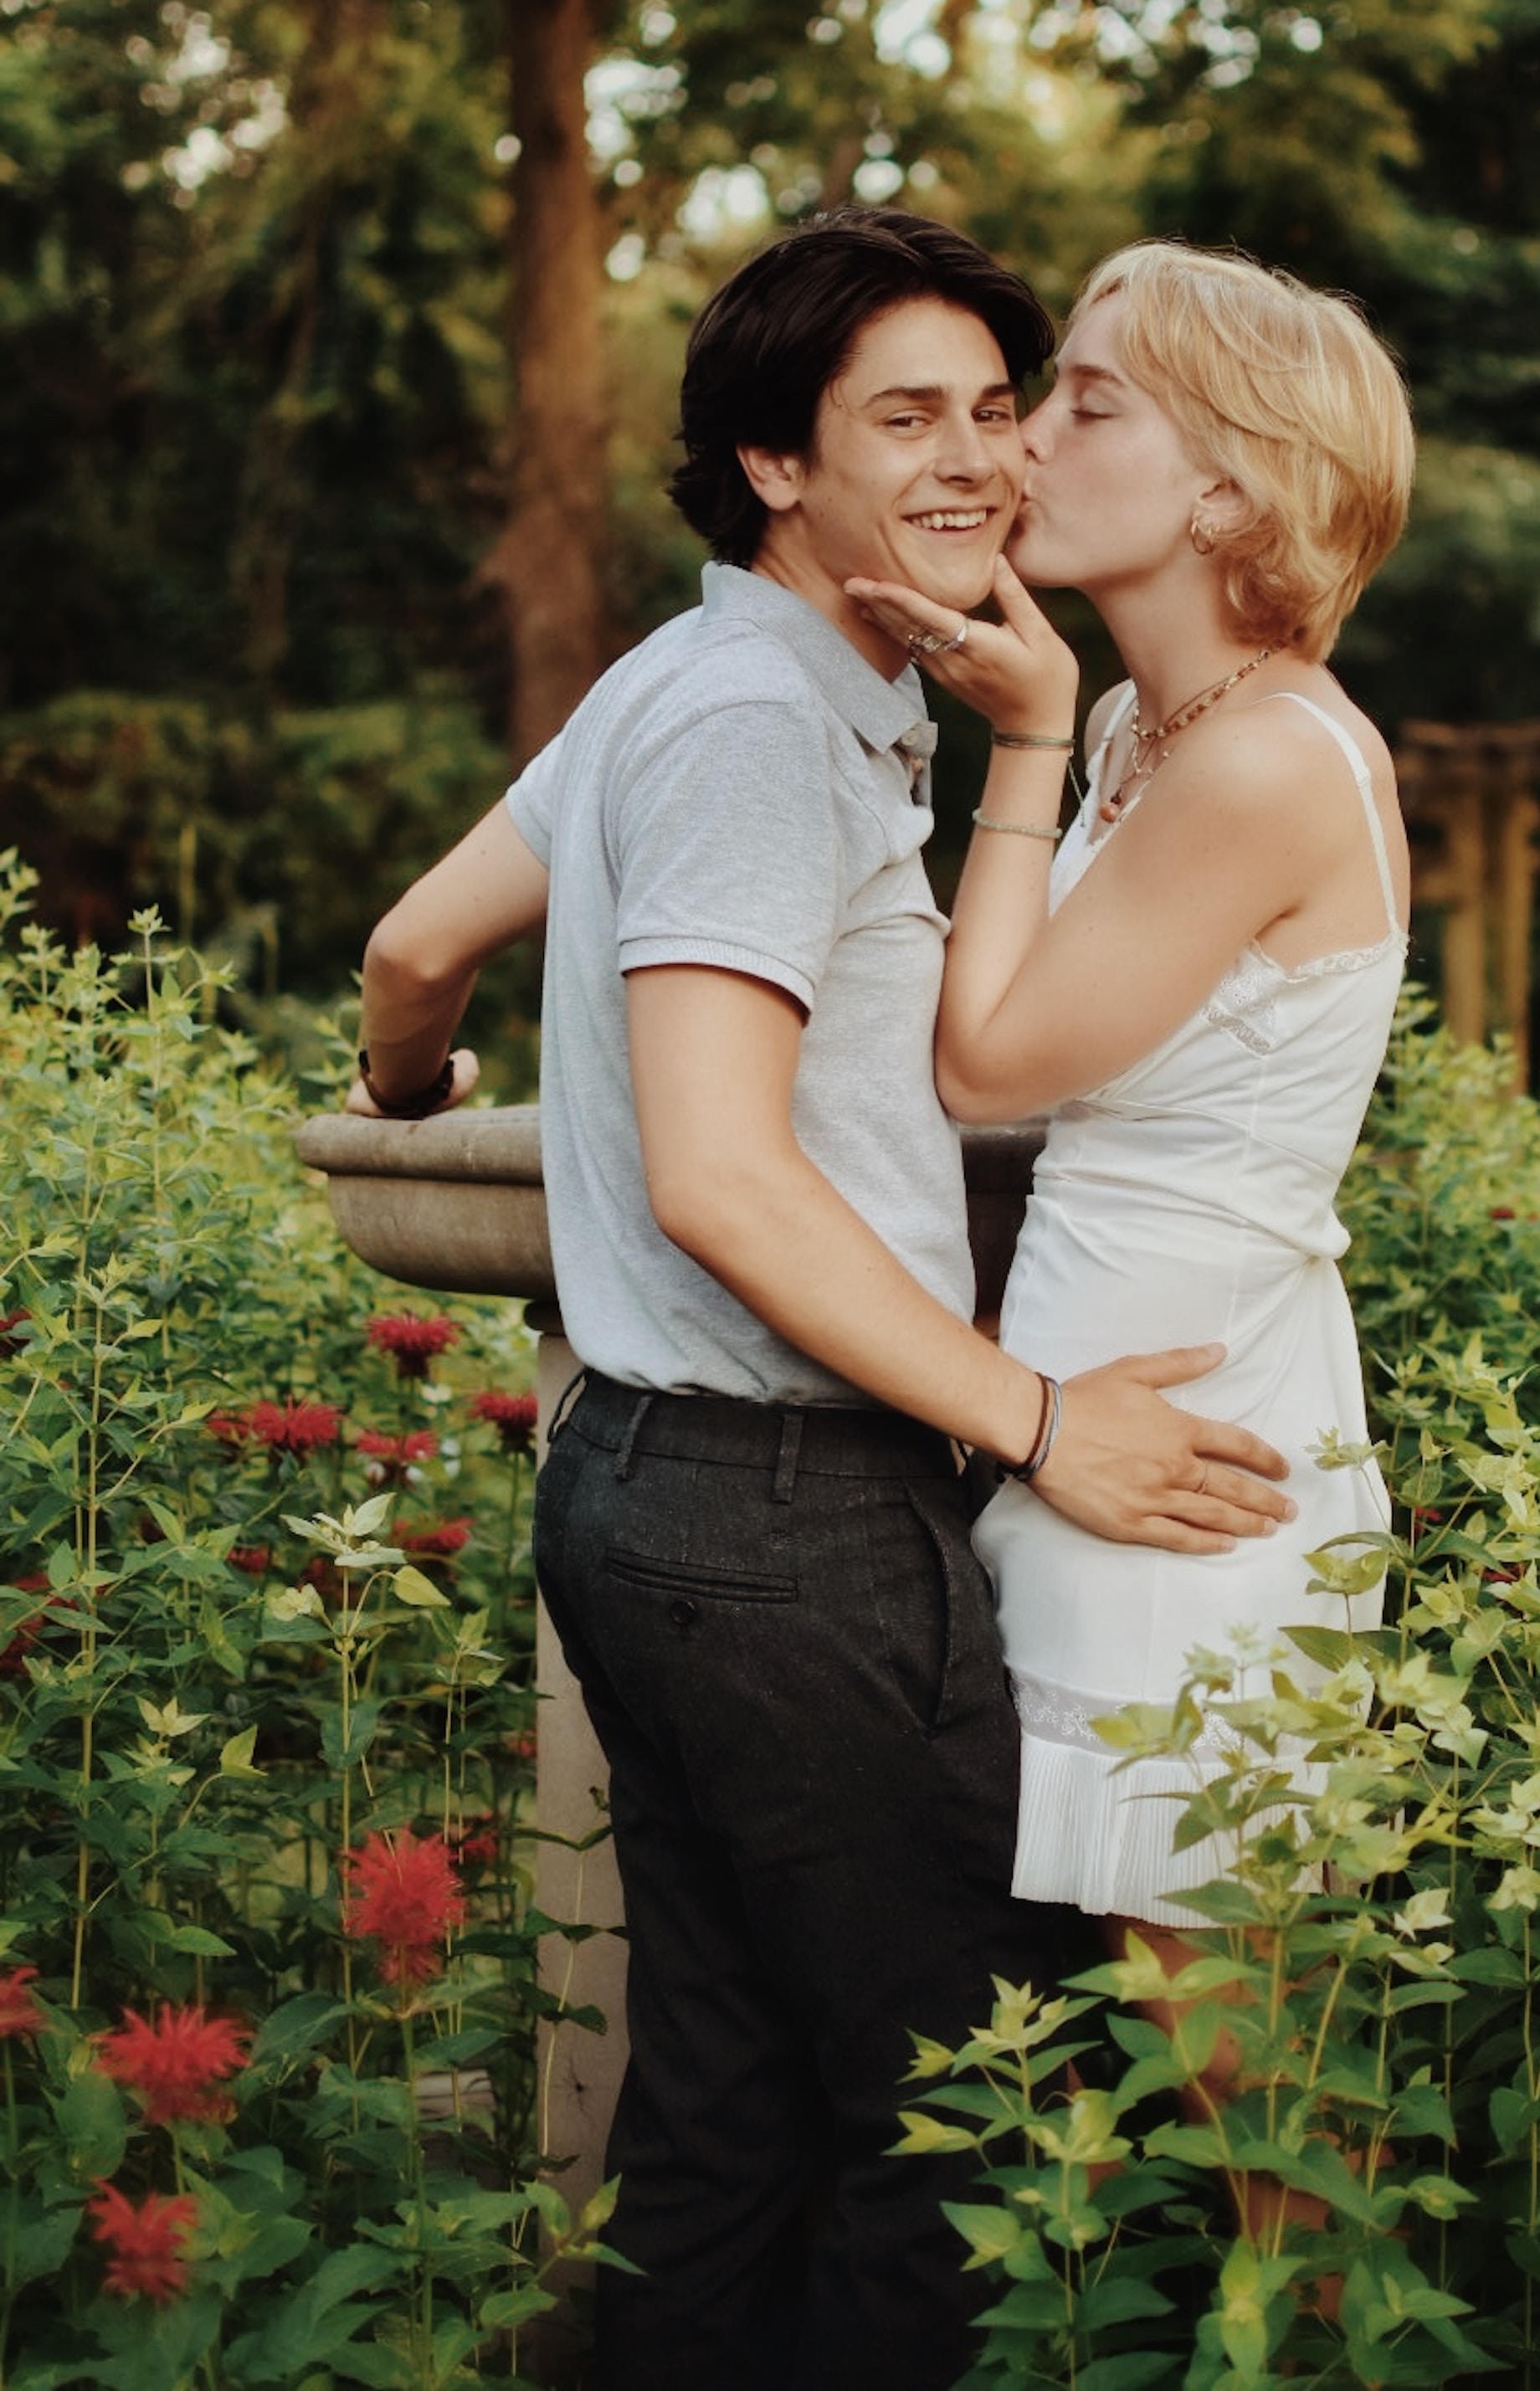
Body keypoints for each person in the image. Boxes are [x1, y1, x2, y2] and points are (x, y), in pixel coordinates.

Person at [342, 208, 1297, 2391]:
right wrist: (1044, 1419)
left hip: (646, 1494)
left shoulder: (680, 691)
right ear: (774, 461)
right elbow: (719, 1176)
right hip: (782, 1522)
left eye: (994, 407)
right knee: (973, 2126)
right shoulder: (764, 729)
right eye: (906, 418)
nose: (976, 460)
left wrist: (421, 1095)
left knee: (728, 2122)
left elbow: (411, 953)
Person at [844, 238, 1413, 1947]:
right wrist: (1055, 735)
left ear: (1234, 487)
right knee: (1081, 2044)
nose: (1020, 448)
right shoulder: (1145, 731)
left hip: (1195, 1440)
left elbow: (986, 1059)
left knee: (1231, 2059)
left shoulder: (1259, 760)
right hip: (1094, 1408)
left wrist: (1016, 745)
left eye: (1086, 406)